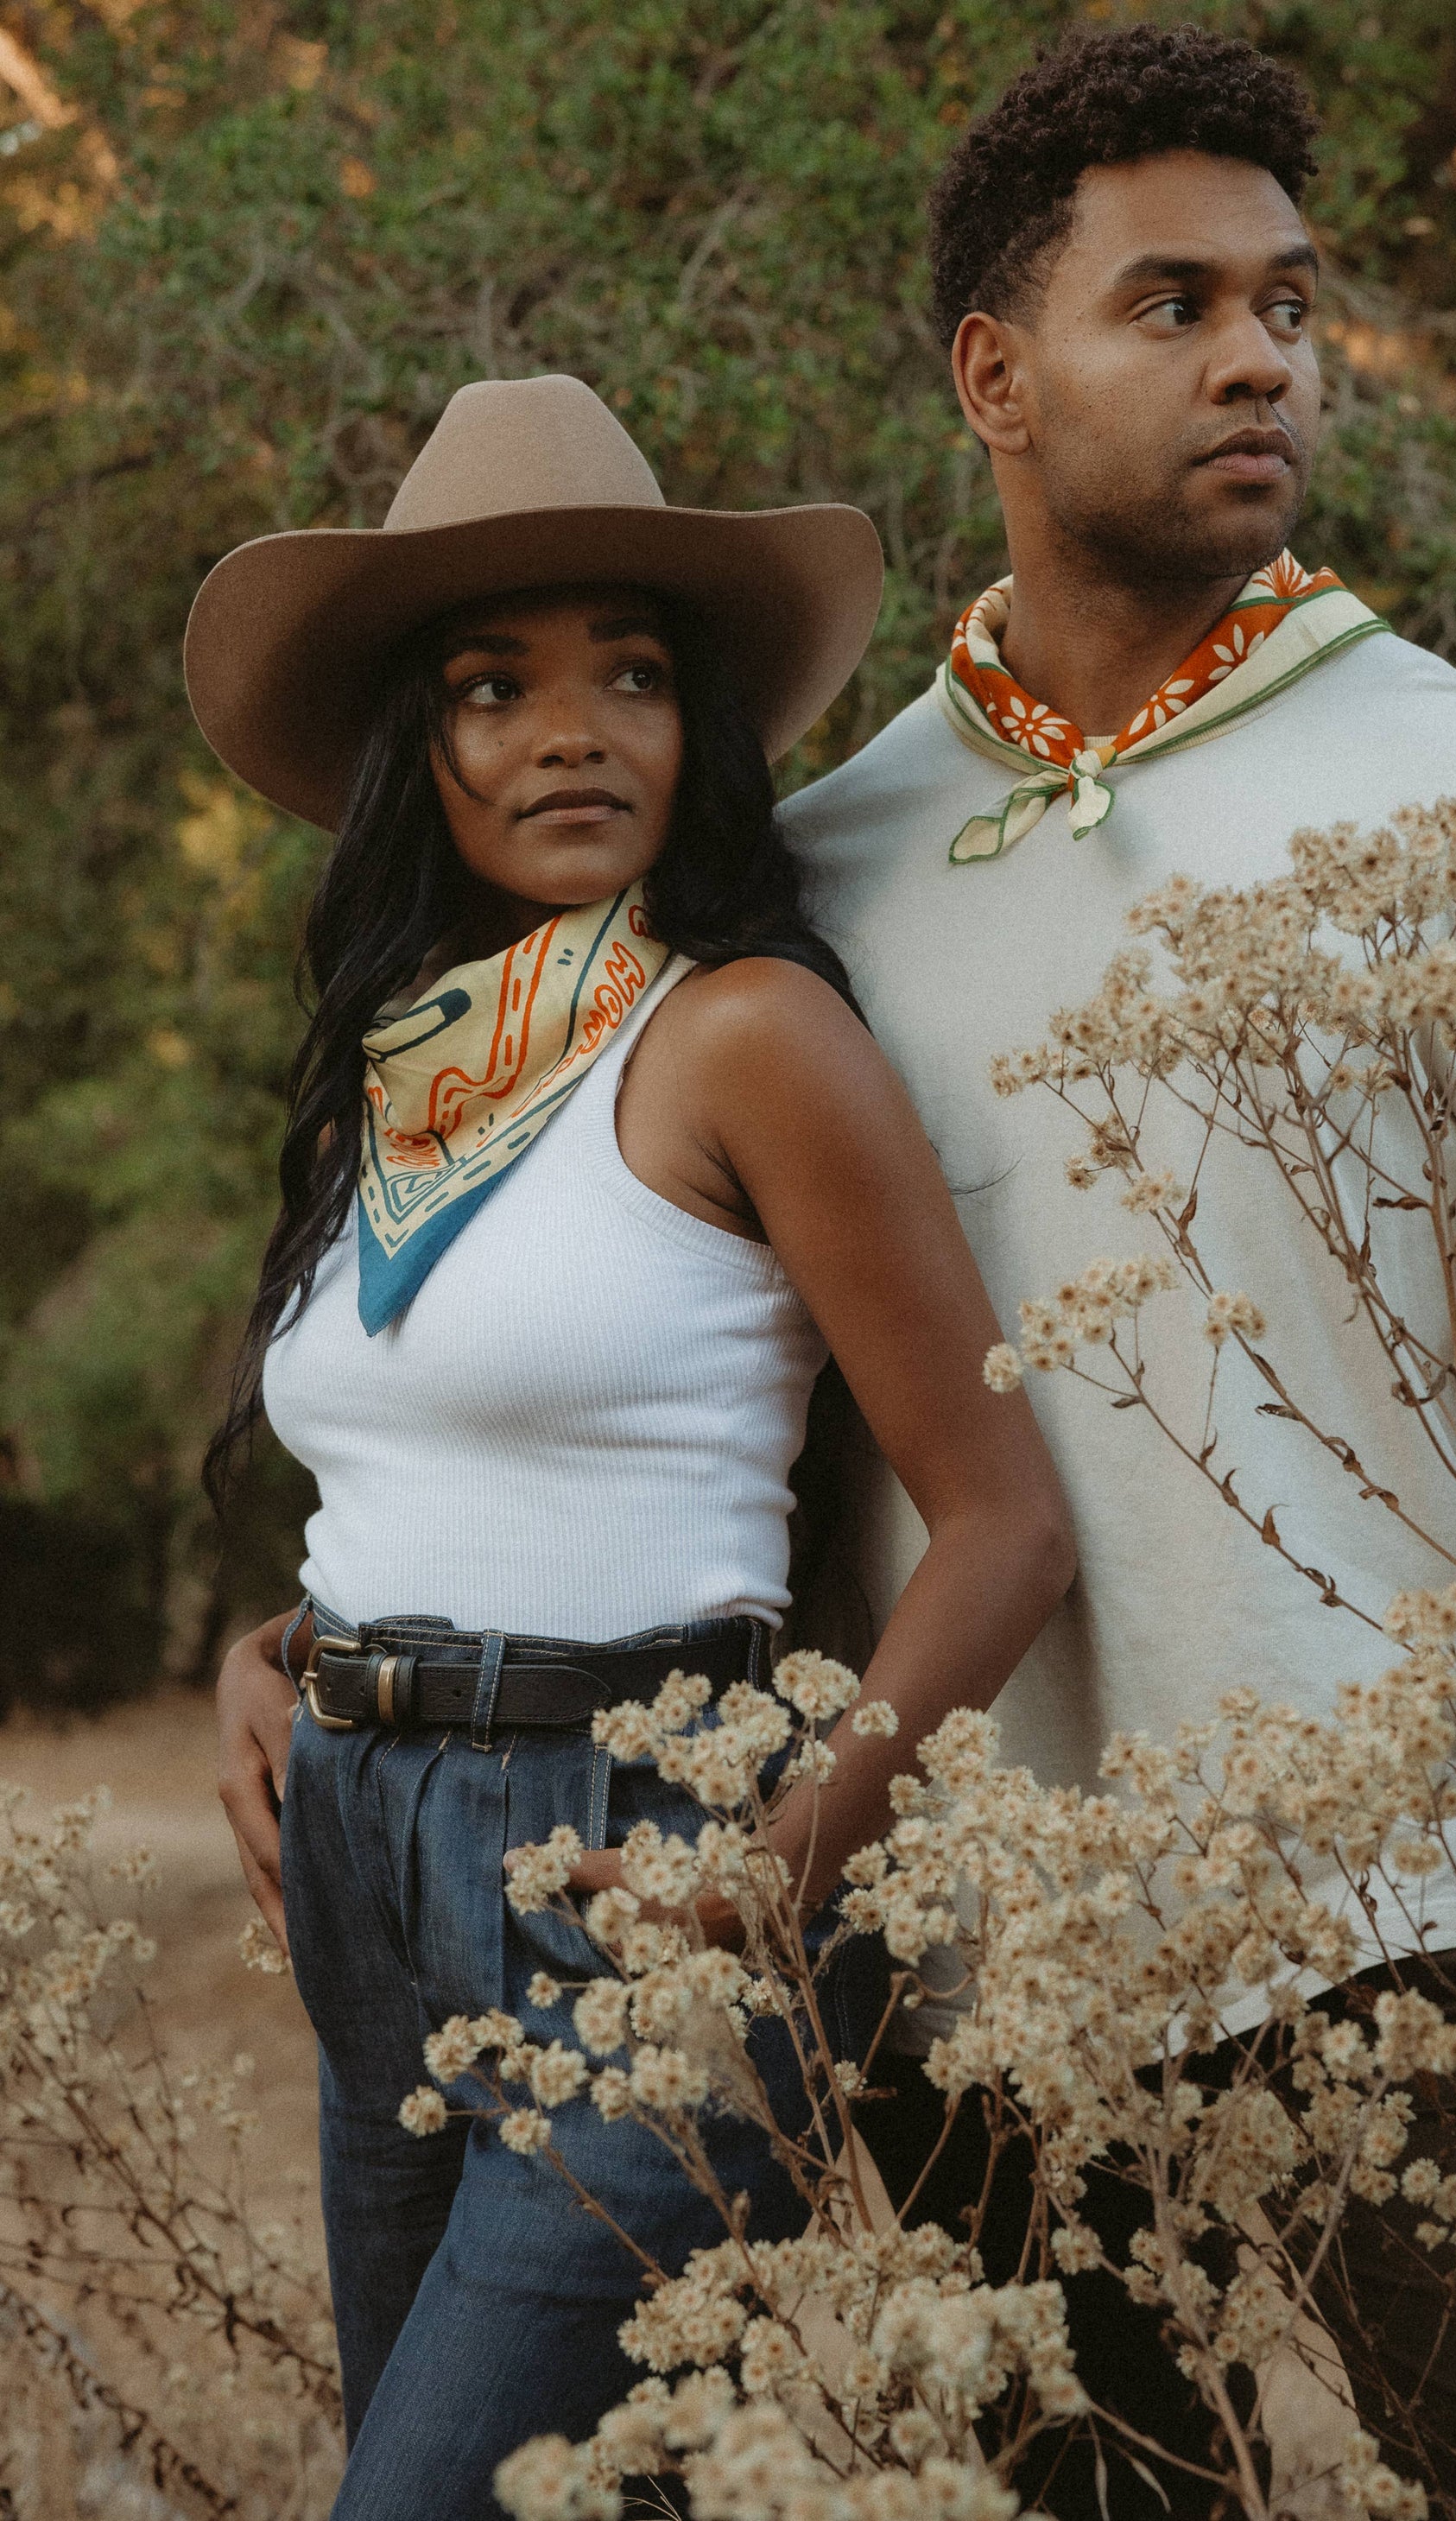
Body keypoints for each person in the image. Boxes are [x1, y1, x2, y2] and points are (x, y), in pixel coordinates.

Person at [781, 24, 1456, 2520]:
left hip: (1436, 1917)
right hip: (975, 1979)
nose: (1260, 355)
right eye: (1168, 303)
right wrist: (317, 1635)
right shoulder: (814, 873)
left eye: (1287, 303)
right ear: (996, 376)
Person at [194, 373, 1075, 2521]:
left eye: (633, 674)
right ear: (419, 748)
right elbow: (442, 1466)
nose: (572, 731)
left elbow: (1003, 1521)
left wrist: (773, 1873)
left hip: (636, 1864)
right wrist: (282, 1650)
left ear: (699, 731)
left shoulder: (747, 1030)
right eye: (495, 686)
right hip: (371, 1857)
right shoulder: (407, 1078)